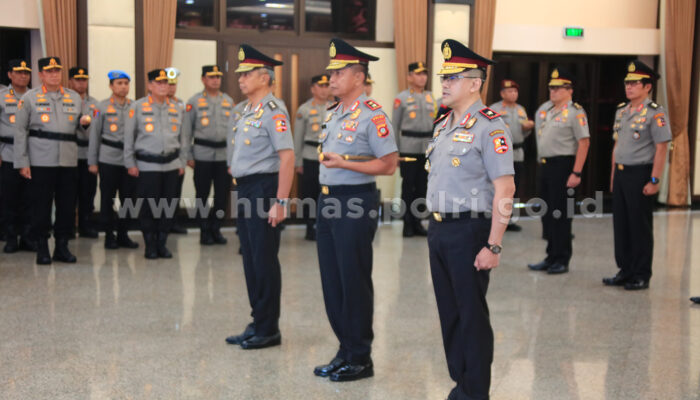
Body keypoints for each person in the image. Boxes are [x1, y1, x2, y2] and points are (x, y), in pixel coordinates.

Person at [426, 39, 515, 400]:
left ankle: (475, 392)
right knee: (450, 314)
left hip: (470, 230)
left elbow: (505, 189)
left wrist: (494, 244)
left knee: (471, 316)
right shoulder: (444, 124)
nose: (444, 84)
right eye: (443, 77)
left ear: (475, 83)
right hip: (439, 229)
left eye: (453, 78)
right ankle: (460, 384)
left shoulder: (490, 126)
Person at [313, 38, 398, 382]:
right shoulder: (333, 112)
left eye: (339, 72)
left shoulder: (374, 116)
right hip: (327, 200)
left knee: (353, 279)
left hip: (355, 201)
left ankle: (361, 356)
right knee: (332, 280)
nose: (330, 78)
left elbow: (389, 165)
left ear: (359, 77)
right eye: (330, 72)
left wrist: (346, 162)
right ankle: (344, 349)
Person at [224, 44, 294, 350]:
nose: (241, 79)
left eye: (248, 74)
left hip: (265, 189)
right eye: (240, 74)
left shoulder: (273, 111)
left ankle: (269, 328)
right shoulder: (245, 111)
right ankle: (257, 320)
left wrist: (280, 201)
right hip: (245, 188)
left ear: (264, 78)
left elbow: (287, 157)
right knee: (251, 258)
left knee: (264, 259)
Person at [14, 57, 91, 264]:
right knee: (41, 206)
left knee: (67, 206)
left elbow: (84, 129)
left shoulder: (74, 97)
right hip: (41, 161)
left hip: (68, 160)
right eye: (49, 71)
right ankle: (41, 247)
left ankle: (62, 246)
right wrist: (22, 162)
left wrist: (85, 124)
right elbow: (20, 131)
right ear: (41, 75)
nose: (54, 74)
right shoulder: (30, 98)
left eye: (57, 70)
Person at [602, 61, 671, 291]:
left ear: (647, 86)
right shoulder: (622, 111)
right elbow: (617, 145)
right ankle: (625, 269)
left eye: (634, 83)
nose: (629, 87)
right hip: (621, 174)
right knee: (621, 225)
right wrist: (613, 176)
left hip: (641, 174)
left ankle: (641, 274)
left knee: (639, 226)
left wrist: (654, 180)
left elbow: (662, 148)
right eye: (627, 83)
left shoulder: (655, 113)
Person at [527, 67, 590, 275]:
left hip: (564, 167)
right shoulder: (548, 111)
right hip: (546, 166)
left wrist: (577, 173)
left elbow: (584, 142)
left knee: (561, 215)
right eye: (551, 88)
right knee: (548, 213)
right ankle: (551, 255)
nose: (552, 91)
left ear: (569, 90)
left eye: (557, 88)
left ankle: (562, 259)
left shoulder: (575, 112)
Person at [123, 69, 190, 259]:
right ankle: (150, 244)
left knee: (168, 205)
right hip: (147, 165)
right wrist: (130, 163)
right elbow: (129, 138)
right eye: (159, 83)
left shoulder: (177, 108)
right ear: (150, 85)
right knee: (148, 206)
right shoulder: (137, 107)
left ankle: (162, 242)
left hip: (171, 164)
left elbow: (184, 139)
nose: (163, 86)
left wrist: (182, 162)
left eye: (166, 83)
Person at [87, 70, 139, 250]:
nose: (123, 86)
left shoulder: (135, 107)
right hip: (108, 158)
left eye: (126, 83)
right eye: (119, 83)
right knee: (108, 199)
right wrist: (92, 162)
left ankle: (124, 234)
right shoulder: (100, 108)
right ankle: (109, 235)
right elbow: (94, 136)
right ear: (111, 86)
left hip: (129, 161)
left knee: (128, 200)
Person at [185, 65, 234, 245]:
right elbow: (186, 132)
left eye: (218, 77)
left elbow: (234, 132)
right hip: (202, 155)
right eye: (211, 77)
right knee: (202, 195)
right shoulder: (194, 102)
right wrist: (188, 155)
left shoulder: (228, 101)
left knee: (222, 197)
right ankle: (204, 230)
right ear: (203, 79)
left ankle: (216, 228)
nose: (215, 80)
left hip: (224, 156)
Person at [392, 61, 434, 237]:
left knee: (423, 187)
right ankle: (407, 224)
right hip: (408, 147)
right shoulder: (401, 98)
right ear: (409, 77)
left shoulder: (431, 97)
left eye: (424, 73)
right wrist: (395, 152)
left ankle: (418, 222)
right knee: (408, 187)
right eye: (418, 74)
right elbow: (394, 127)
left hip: (427, 148)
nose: (422, 77)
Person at [489, 79, 534, 232]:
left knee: (513, 188)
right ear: (502, 93)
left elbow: (524, 133)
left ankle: (509, 220)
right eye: (509, 91)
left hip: (518, 153)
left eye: (515, 91)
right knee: (498, 188)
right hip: (500, 154)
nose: (513, 94)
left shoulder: (521, 109)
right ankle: (494, 219)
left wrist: (528, 128)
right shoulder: (494, 109)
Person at [0, 59, 35, 253]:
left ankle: (28, 237)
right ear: (9, 75)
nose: (23, 76)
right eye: (19, 72)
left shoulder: (36, 96)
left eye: (26, 73)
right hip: (8, 153)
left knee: (30, 199)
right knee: (9, 198)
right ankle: (11, 237)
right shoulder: (2, 96)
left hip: (31, 155)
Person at [293, 74, 330, 240]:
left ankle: (325, 224)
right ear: (312, 89)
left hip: (330, 158)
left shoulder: (335, 107)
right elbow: (297, 138)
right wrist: (298, 161)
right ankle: (310, 225)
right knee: (309, 193)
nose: (324, 89)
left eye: (326, 85)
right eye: (320, 86)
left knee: (328, 193)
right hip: (309, 157)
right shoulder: (304, 110)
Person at [68, 67, 99, 238]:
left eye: (84, 79)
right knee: (69, 194)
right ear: (70, 81)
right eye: (78, 79)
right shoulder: (66, 100)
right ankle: (69, 227)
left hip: (88, 154)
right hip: (71, 154)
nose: (82, 83)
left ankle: (86, 225)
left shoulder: (95, 104)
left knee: (88, 192)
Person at [165, 67, 188, 234]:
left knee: (174, 192)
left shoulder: (181, 105)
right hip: (156, 158)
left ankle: (172, 222)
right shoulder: (147, 104)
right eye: (168, 83)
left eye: (174, 84)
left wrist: (184, 159)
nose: (171, 87)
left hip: (176, 156)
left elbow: (185, 135)